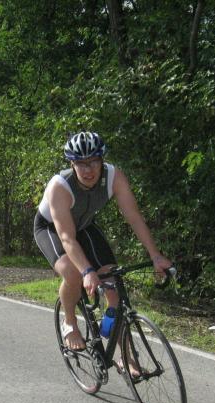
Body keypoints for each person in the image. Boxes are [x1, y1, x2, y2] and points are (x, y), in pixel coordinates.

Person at [34, 131, 172, 351]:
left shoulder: (114, 177)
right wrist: (87, 271)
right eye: (81, 163)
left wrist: (155, 255)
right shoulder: (60, 186)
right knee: (72, 272)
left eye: (94, 162)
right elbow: (67, 237)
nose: (88, 170)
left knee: (113, 285)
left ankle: (124, 355)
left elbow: (134, 217)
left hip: (84, 226)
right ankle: (69, 321)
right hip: (52, 229)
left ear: (102, 160)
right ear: (72, 164)